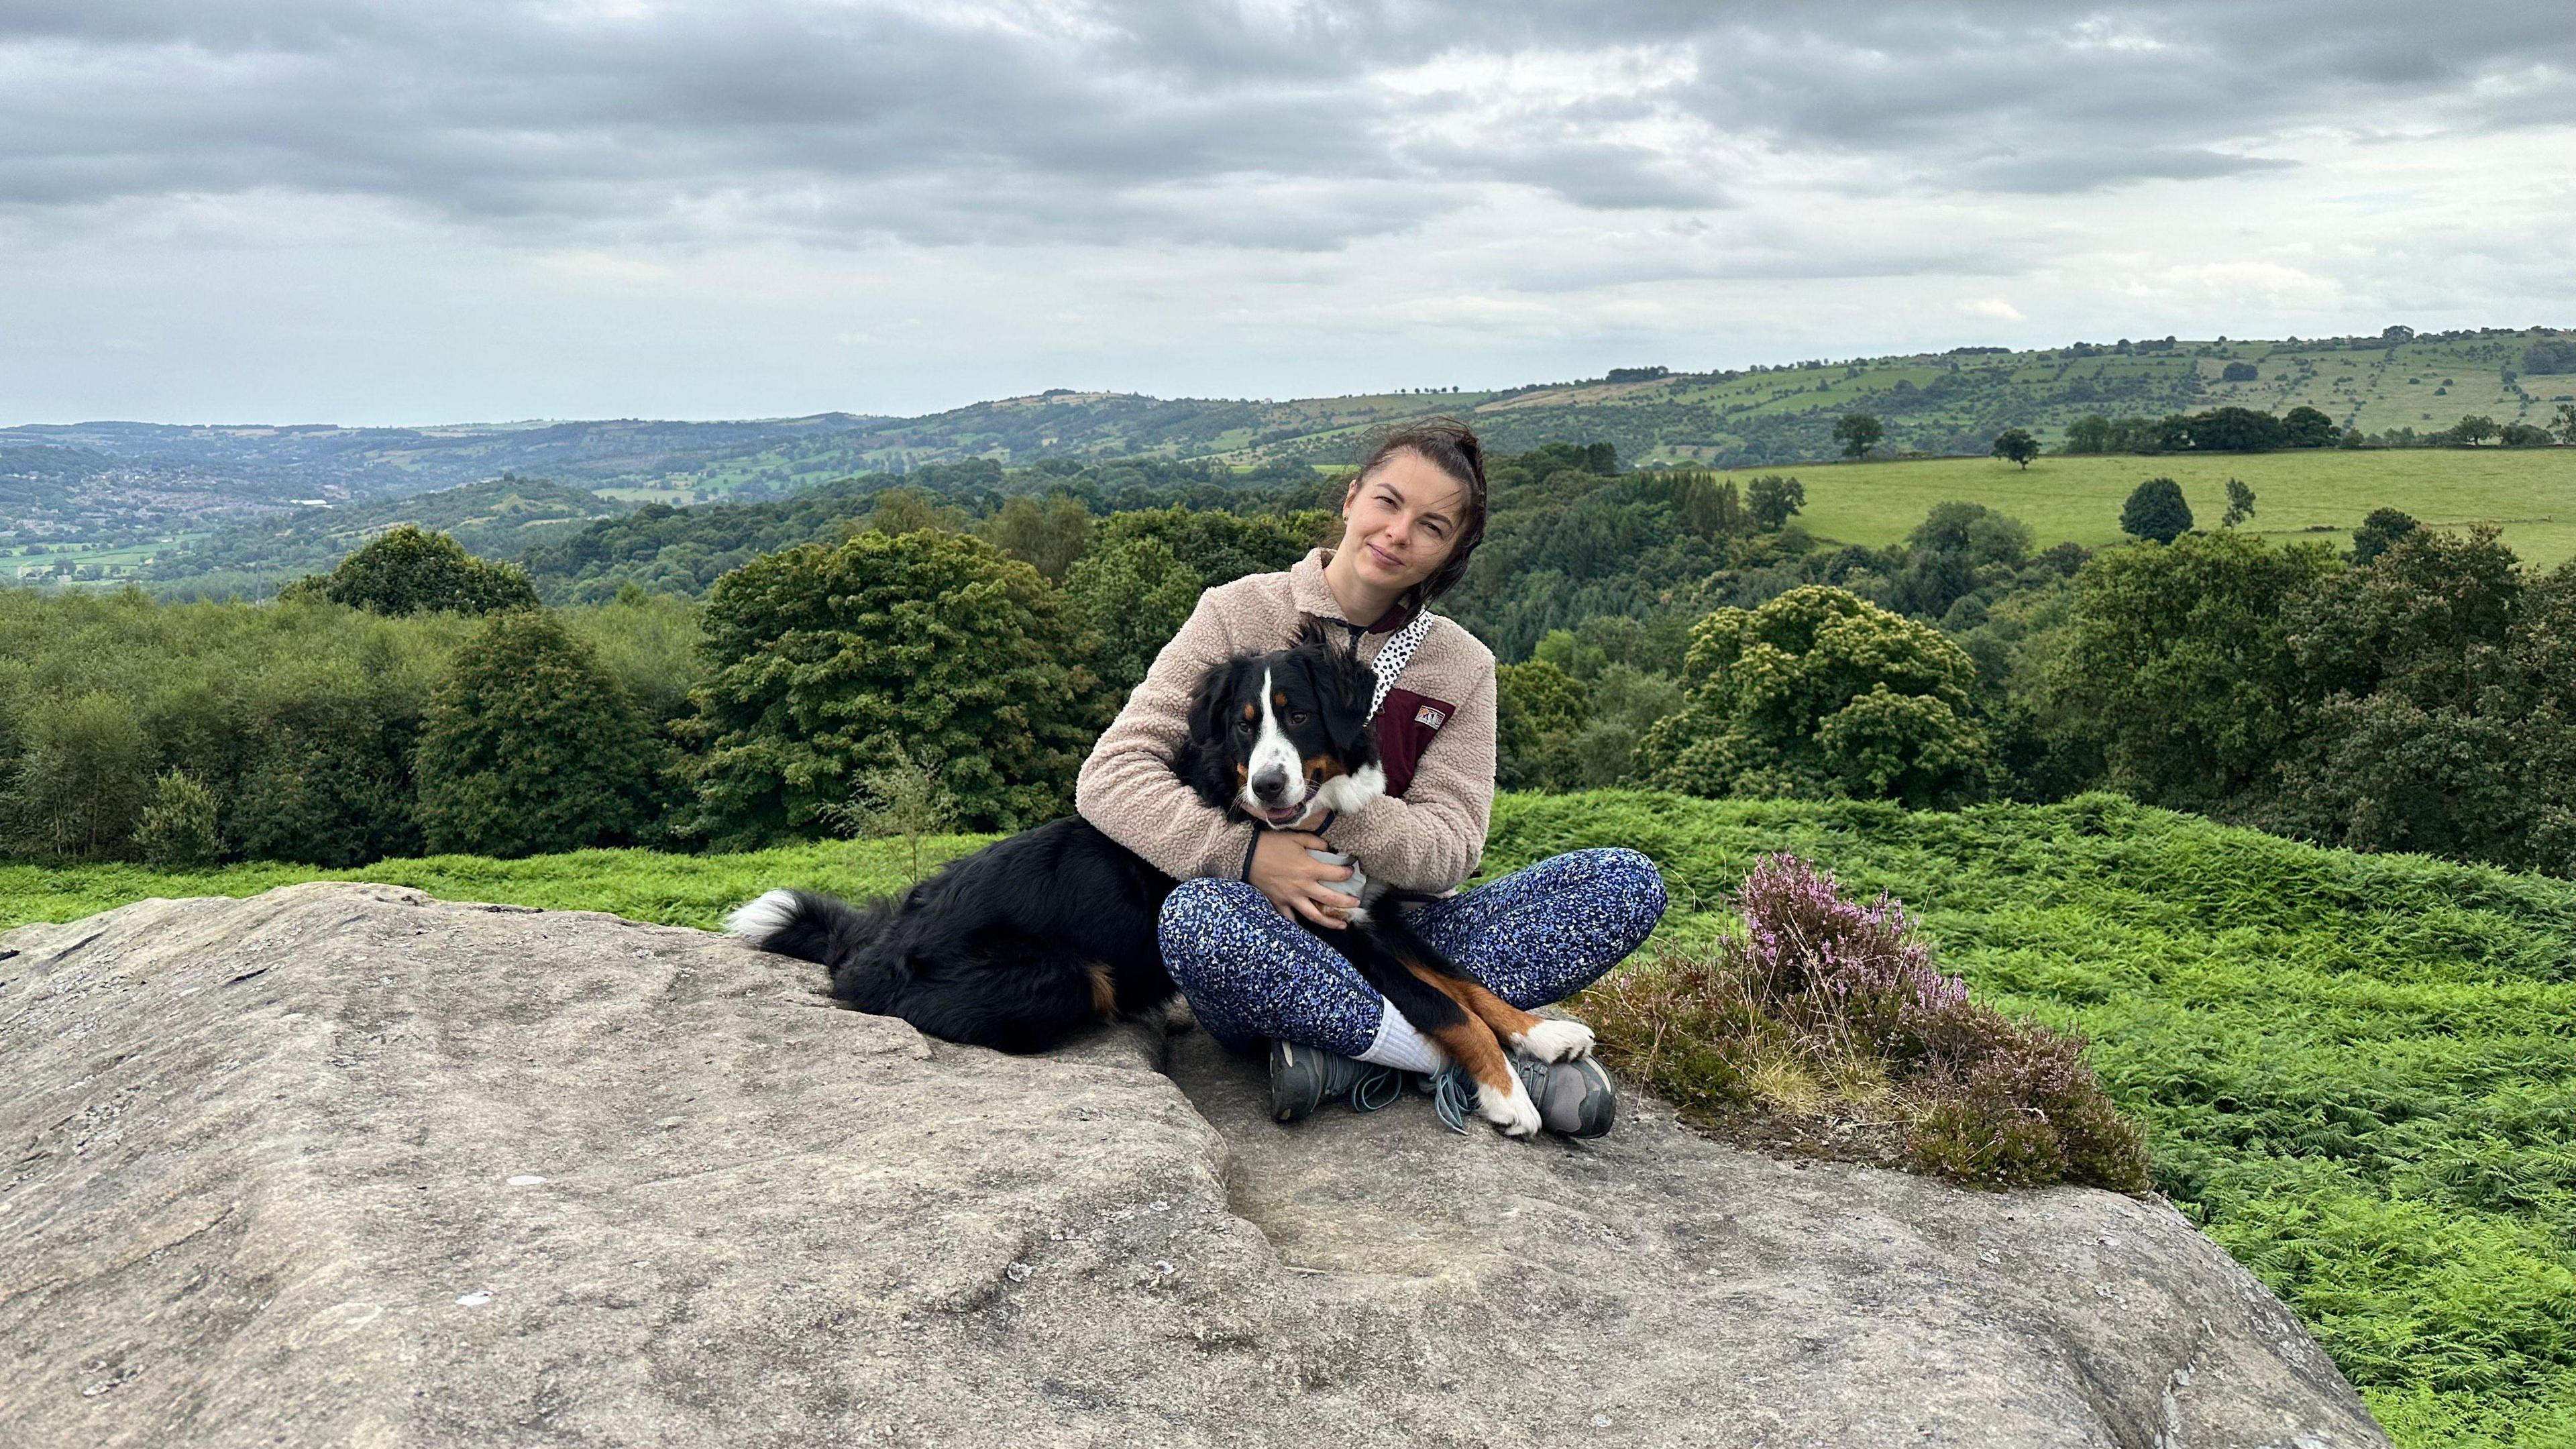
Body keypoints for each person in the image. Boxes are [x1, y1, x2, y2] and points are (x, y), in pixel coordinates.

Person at [1074, 419, 1666, 1136]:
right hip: (1269, 944)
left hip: (1396, 930)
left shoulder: (1461, 666)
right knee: (1200, 920)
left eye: (1432, 525)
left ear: (1451, 552)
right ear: (1352, 498)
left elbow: (1452, 850)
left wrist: (1334, 813)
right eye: (1387, 501)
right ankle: (1466, 1057)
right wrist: (1250, 857)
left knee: (1621, 881)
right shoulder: (1235, 613)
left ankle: (1355, 1054)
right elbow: (1110, 776)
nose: (1398, 532)